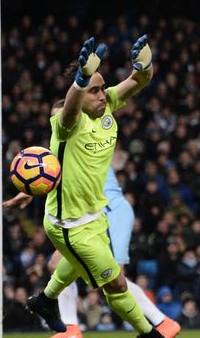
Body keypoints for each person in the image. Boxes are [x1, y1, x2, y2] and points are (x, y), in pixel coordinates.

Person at [22, 35, 164, 337]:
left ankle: (46, 300)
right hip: (69, 225)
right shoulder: (66, 123)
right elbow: (71, 105)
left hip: (95, 213)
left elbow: (139, 80)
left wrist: (145, 65)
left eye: (102, 88)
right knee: (116, 283)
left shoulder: (107, 105)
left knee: (75, 265)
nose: (102, 95)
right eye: (94, 90)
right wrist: (81, 80)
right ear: (79, 94)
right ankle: (147, 333)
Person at [4, 162, 181, 338]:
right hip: (93, 213)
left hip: (109, 211)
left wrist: (30, 189)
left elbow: (61, 169)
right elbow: (59, 171)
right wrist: (31, 190)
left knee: (115, 279)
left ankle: (161, 323)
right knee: (57, 263)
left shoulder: (83, 140)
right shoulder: (79, 142)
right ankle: (70, 326)